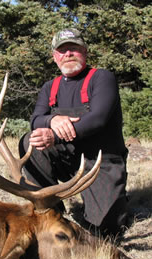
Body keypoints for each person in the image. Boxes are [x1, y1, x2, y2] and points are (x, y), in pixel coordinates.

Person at [19, 28, 128, 238]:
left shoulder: (102, 78)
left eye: (73, 48)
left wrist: (56, 135)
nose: (68, 53)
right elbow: (35, 120)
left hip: (100, 162)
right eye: (62, 50)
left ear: (84, 51)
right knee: (29, 142)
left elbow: (99, 119)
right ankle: (51, 211)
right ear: (55, 57)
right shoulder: (50, 87)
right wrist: (52, 119)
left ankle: (115, 199)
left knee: (107, 230)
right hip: (67, 160)